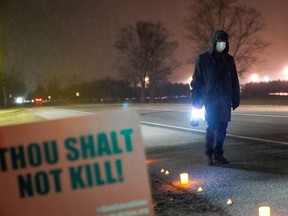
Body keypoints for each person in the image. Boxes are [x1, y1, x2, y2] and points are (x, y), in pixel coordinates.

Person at [190, 30, 240, 165]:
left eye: (224, 42)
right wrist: (196, 100)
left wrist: (236, 98)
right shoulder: (203, 59)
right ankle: (209, 152)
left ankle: (219, 153)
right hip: (210, 100)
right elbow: (197, 81)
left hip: (224, 99)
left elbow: (234, 80)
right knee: (212, 127)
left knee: (223, 128)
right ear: (214, 42)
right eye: (219, 42)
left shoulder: (229, 60)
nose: (221, 45)